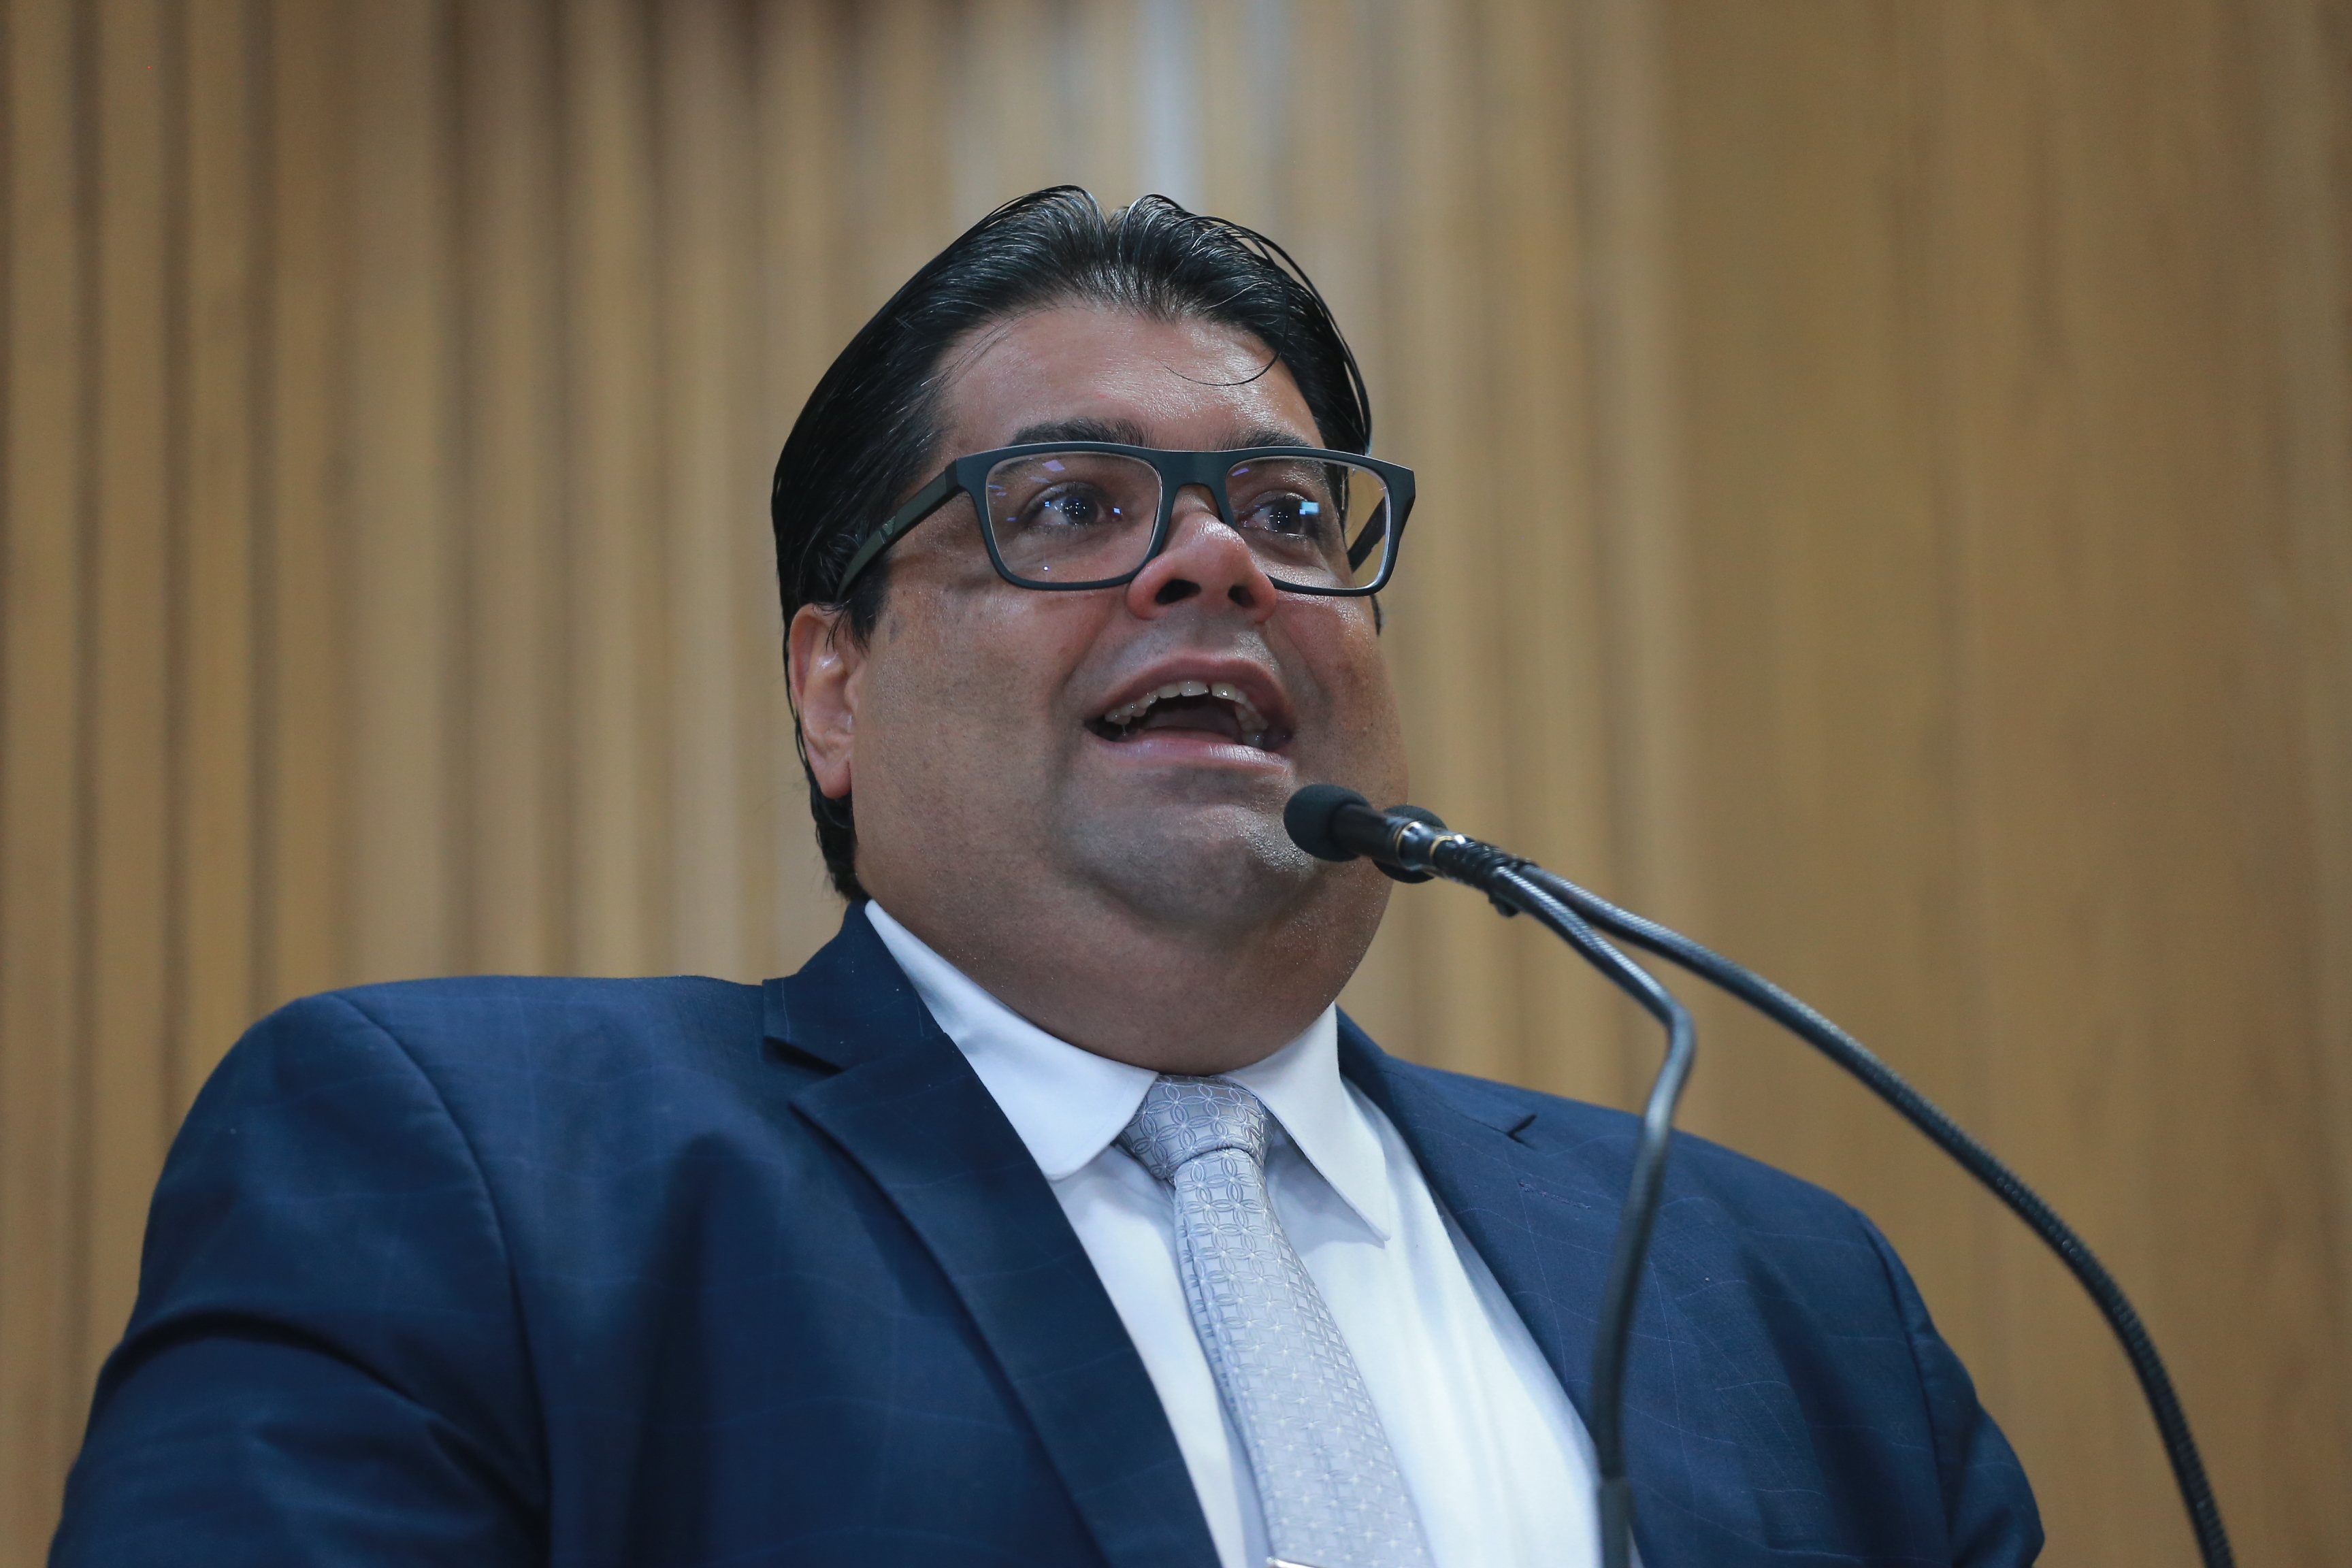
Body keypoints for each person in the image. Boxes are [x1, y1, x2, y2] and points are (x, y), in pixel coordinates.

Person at [50, 189, 2038, 1568]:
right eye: (1072, 504)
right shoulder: (488, 1173)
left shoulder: (1780, 1292)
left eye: (1289, 514)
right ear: (834, 688)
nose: (1219, 563)